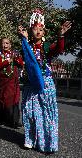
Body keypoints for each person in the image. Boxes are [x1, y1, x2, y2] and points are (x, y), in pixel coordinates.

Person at [18, 9, 72, 153]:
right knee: (29, 112)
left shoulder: (47, 47)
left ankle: (46, 141)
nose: (37, 31)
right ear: (31, 31)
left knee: (46, 114)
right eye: (35, 29)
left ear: (44, 32)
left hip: (45, 84)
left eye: (40, 29)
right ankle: (29, 139)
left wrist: (61, 35)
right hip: (30, 84)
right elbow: (23, 58)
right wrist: (23, 38)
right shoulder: (26, 46)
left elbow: (59, 49)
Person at [0, 37, 23, 128]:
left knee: (14, 100)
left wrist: (16, 60)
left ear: (10, 45)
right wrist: (8, 61)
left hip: (12, 82)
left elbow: (21, 64)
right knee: (3, 100)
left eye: (7, 43)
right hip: (2, 82)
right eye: (3, 43)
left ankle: (14, 121)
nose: (4, 45)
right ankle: (3, 119)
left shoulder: (15, 54)